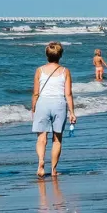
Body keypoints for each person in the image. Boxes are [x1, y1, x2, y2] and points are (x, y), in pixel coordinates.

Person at [30, 41, 76, 178]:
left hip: (43, 103)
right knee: (57, 139)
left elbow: (35, 93)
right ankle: (54, 170)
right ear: (60, 55)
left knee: (41, 138)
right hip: (59, 104)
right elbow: (68, 93)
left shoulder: (40, 70)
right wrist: (72, 112)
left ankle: (40, 163)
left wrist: (33, 108)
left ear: (46, 55)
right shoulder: (65, 71)